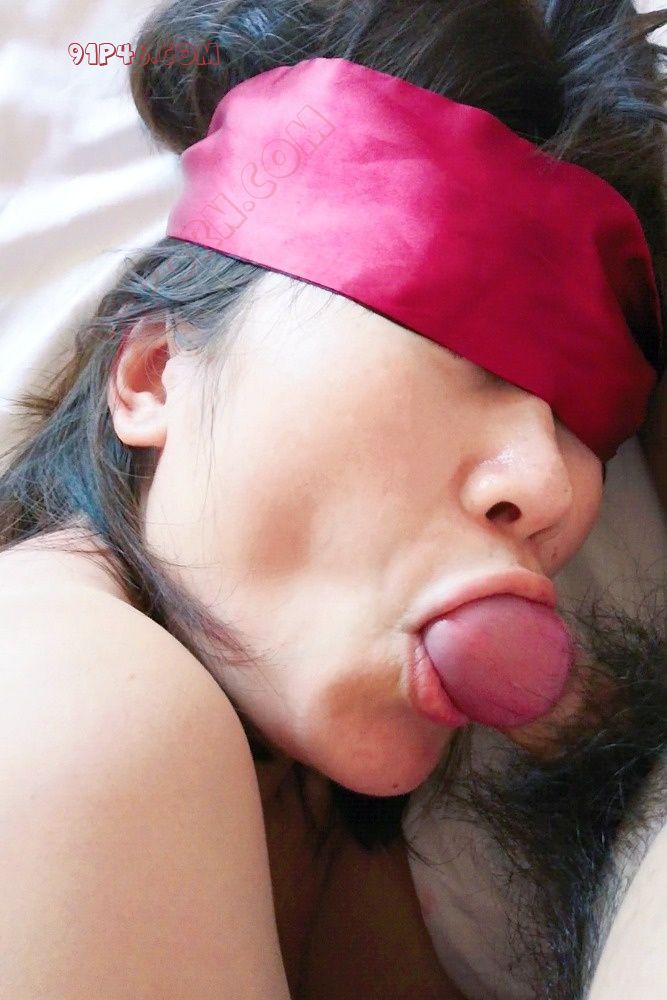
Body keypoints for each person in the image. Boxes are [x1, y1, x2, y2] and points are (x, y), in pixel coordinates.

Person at [0, 1, 665, 997]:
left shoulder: (317, 818)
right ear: (153, 374)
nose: (550, 487)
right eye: (465, 351)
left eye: (586, 425)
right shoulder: (78, 695)